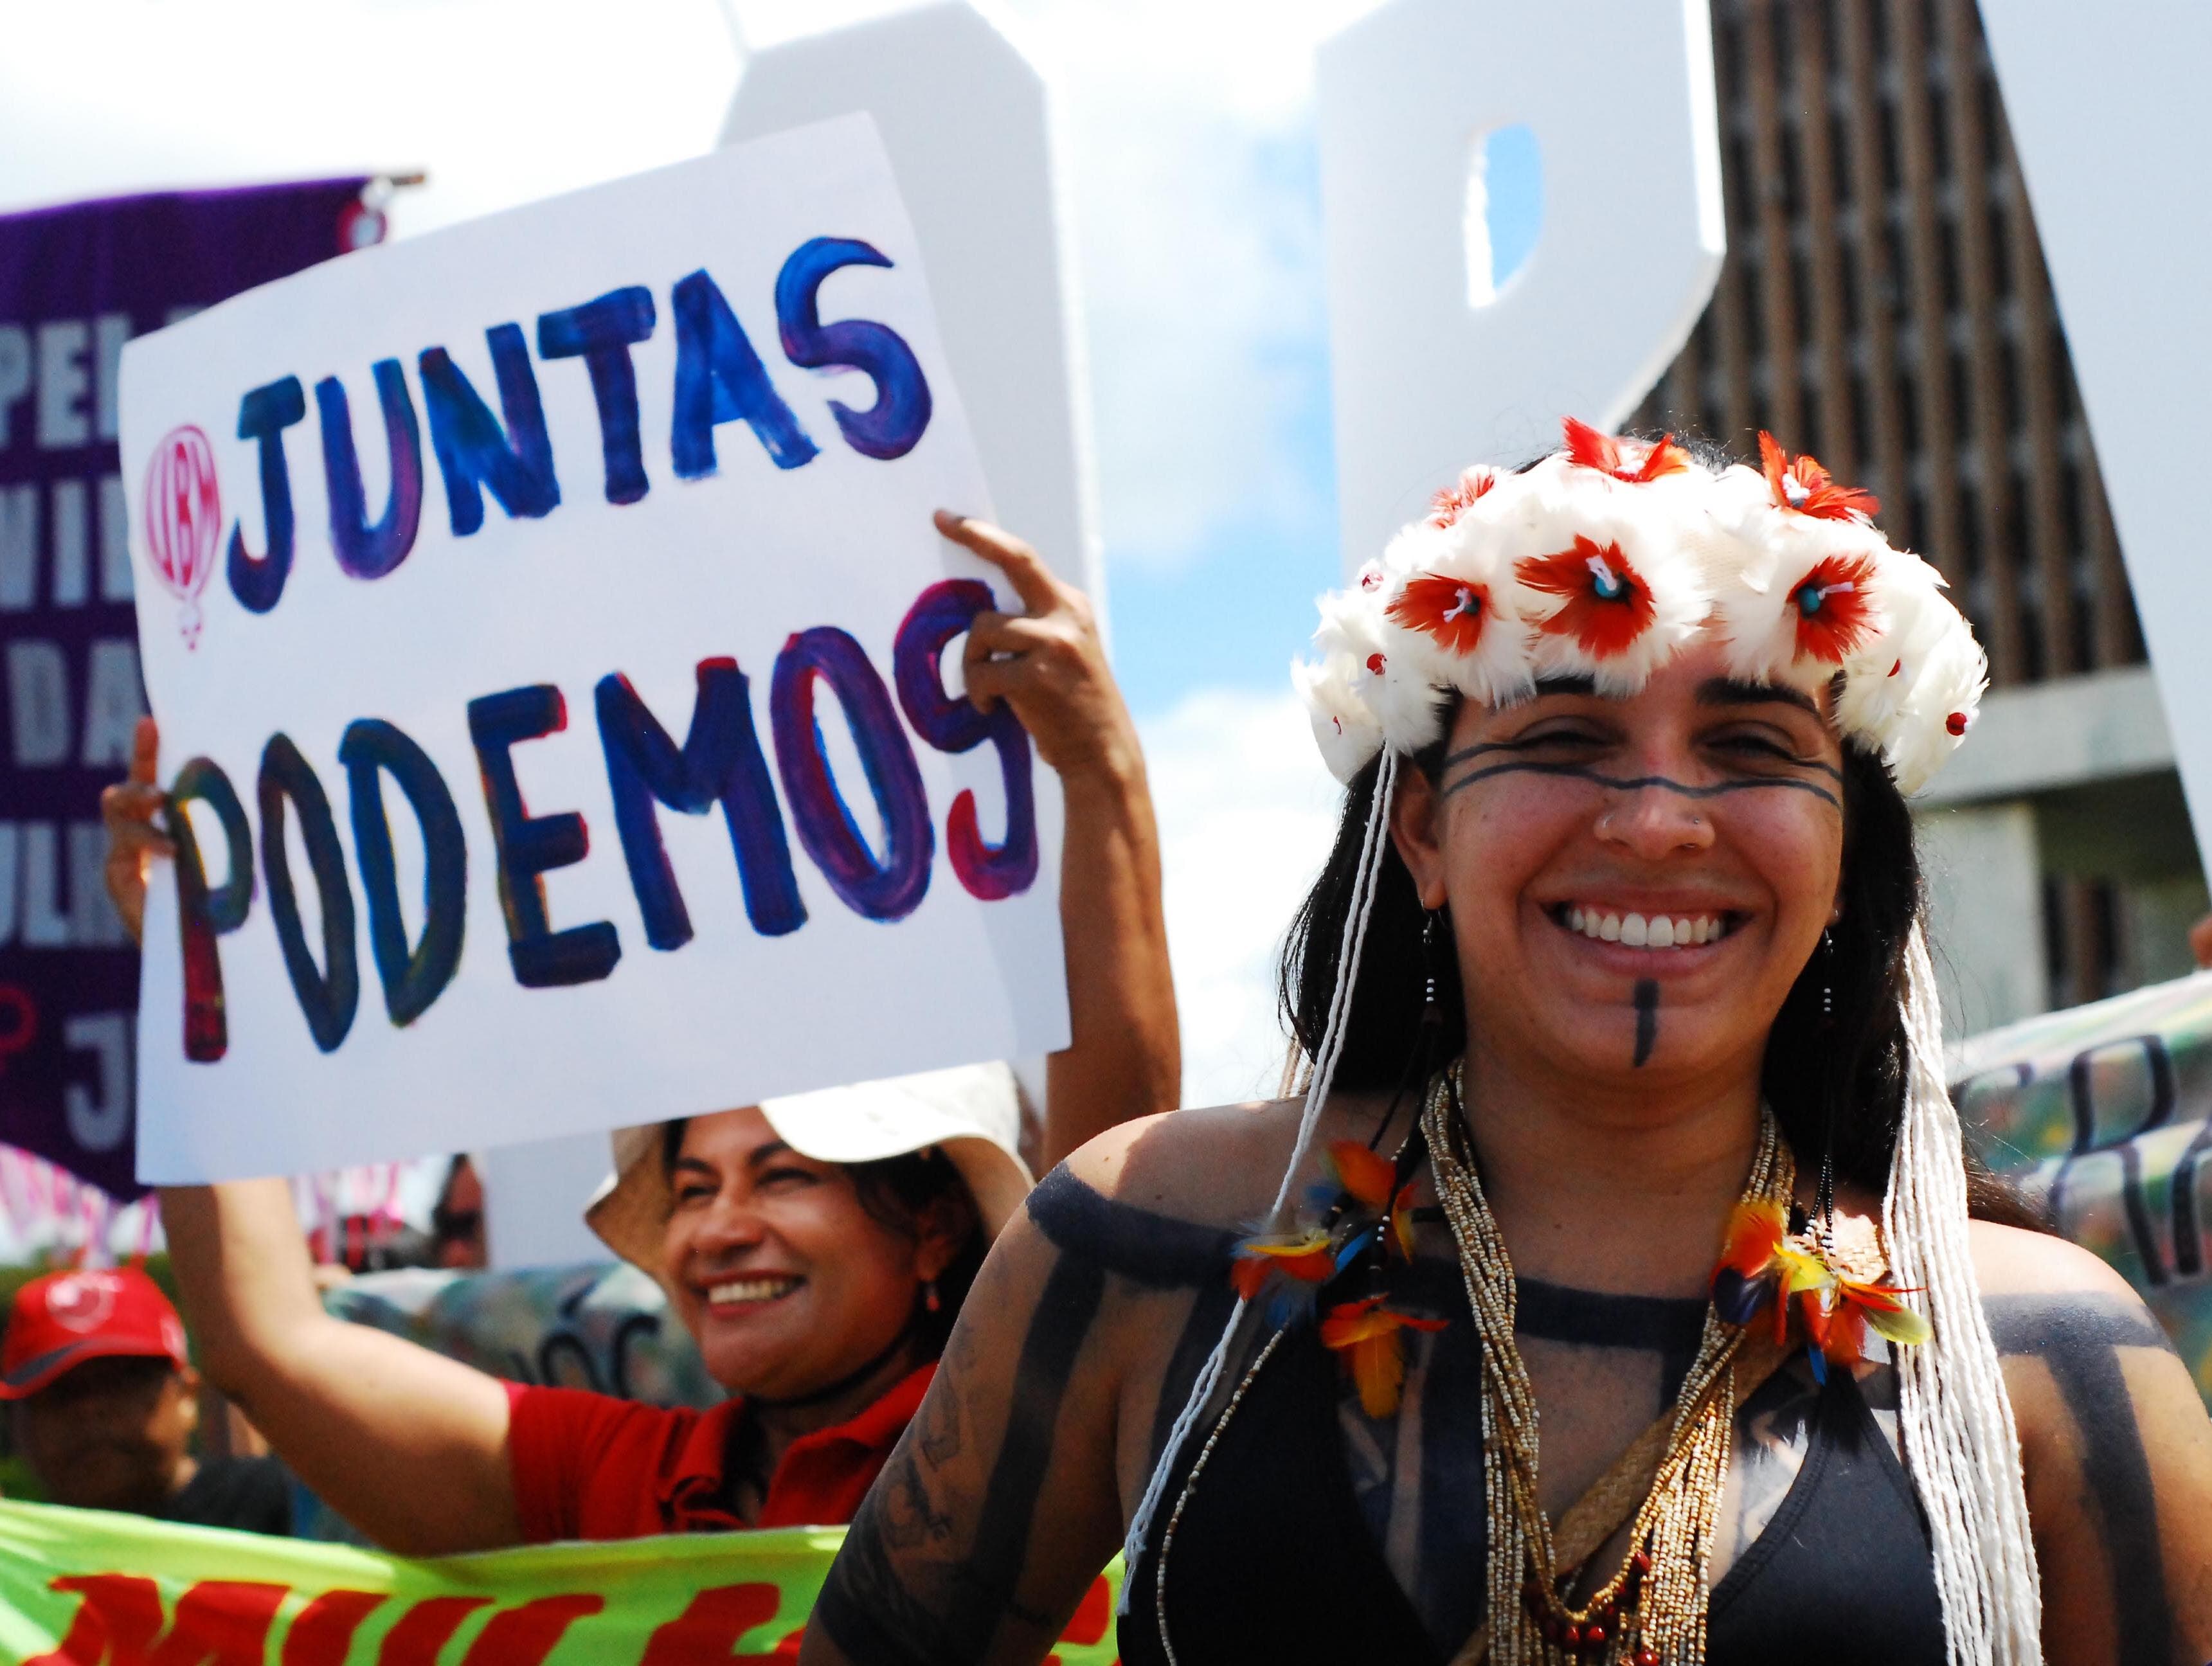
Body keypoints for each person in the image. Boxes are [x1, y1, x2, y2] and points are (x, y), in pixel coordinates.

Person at [800, 424, 2212, 1666]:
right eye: (1566, 737)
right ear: (1420, 830)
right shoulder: (1142, 1245)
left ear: (1844, 860)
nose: (1658, 819)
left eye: (1749, 750)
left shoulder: (2045, 1350)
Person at [105, 512, 1182, 1555]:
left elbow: (1110, 1209)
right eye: (696, 1186)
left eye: (784, 1173)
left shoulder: (1029, 1440)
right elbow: (267, 1343)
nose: (719, 1228)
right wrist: (195, 981)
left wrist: (1098, 776)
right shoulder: (613, 1484)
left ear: (934, 1223)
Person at [1, 1266, 291, 1535]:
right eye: (59, 1392)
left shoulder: (294, 1508)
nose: (90, 1409)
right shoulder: (10, 1556)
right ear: (15, 1422)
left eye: (120, 1381)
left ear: (187, 1396)